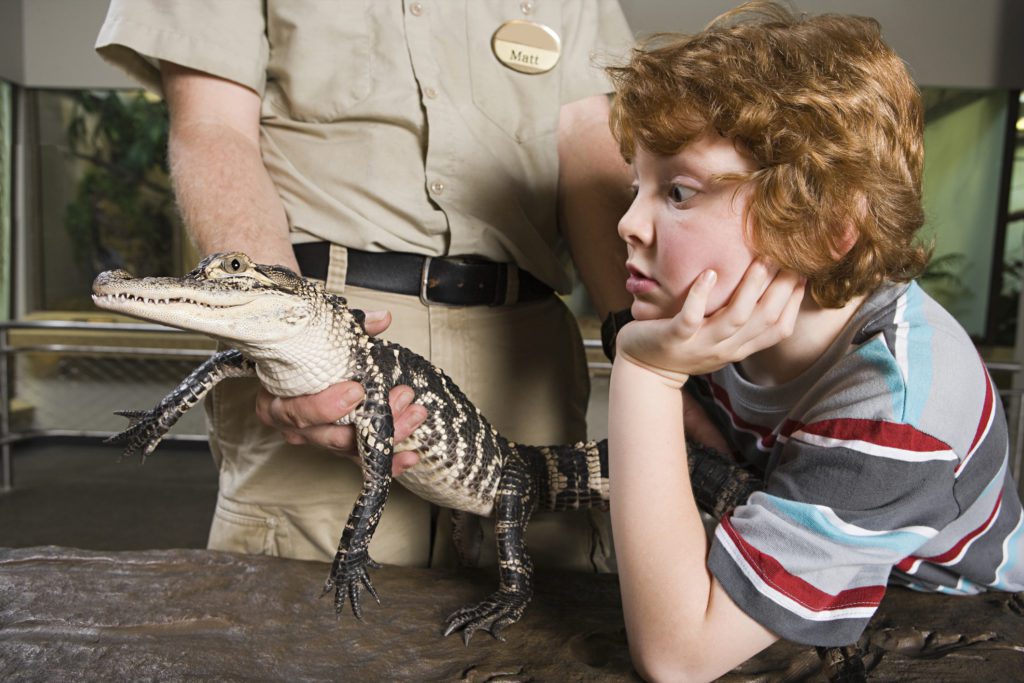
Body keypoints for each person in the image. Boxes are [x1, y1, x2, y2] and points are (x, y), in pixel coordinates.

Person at [95, 1, 635, 571]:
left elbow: (586, 138)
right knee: (305, 629)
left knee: (547, 630)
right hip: (326, 321)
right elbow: (213, 125)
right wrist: (291, 331)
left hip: (527, 351)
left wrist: (639, 342)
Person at [603, 3, 1024, 680]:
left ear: (828, 228)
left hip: (955, 631)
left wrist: (645, 377)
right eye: (637, 186)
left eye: (677, 191)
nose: (627, 222)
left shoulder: (900, 409)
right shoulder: (714, 323)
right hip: (786, 590)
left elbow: (677, 657)